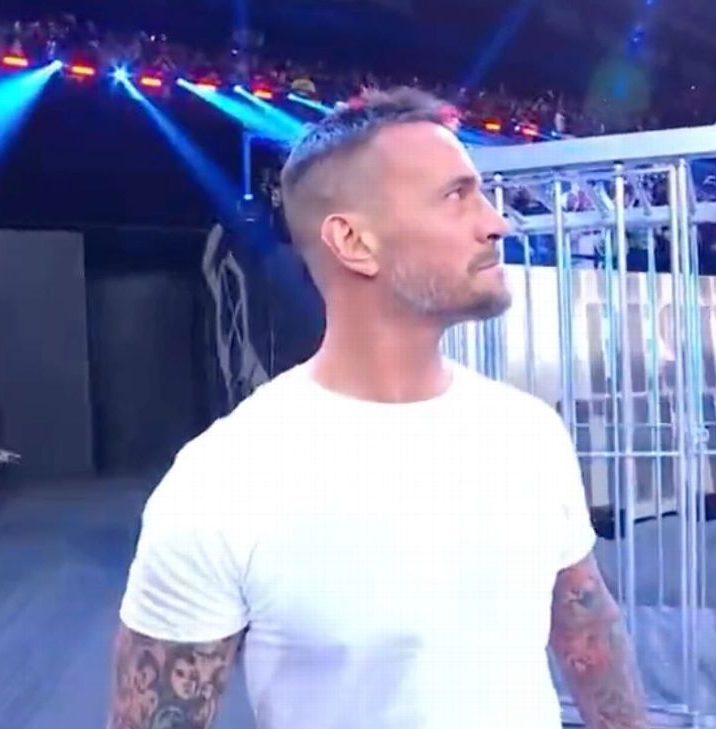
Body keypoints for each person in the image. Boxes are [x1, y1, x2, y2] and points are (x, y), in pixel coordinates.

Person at [108, 87, 649, 729]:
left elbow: (587, 626)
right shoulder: (224, 479)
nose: (495, 223)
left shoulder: (529, 431)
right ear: (353, 241)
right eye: (455, 197)